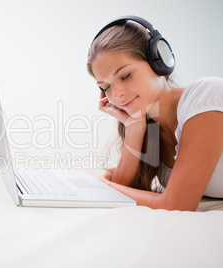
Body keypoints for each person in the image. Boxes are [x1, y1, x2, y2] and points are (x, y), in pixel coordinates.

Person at [87, 16, 223, 211]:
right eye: (106, 86)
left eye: (125, 76)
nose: (117, 94)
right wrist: (134, 129)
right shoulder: (150, 129)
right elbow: (125, 188)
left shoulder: (207, 96)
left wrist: (104, 186)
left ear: (159, 61)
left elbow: (178, 204)